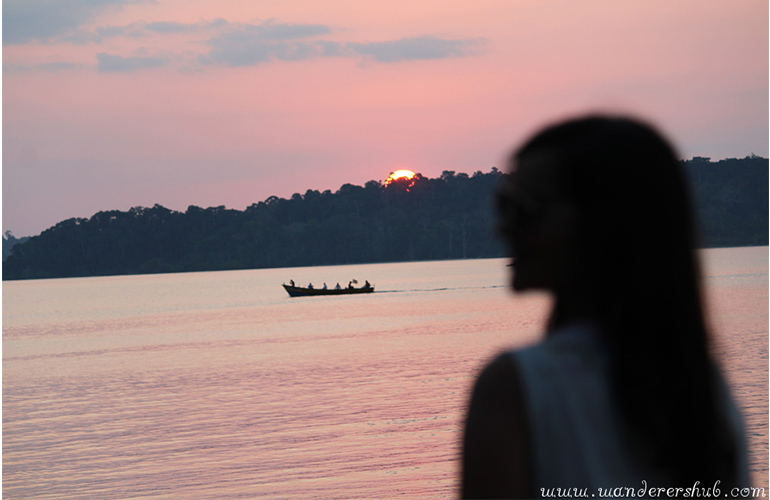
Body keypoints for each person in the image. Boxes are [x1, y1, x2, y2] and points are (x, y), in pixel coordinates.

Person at [461, 115, 749, 498]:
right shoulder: (705, 390)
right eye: (503, 205)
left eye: (523, 208)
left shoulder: (516, 388)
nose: (503, 228)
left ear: (600, 224)